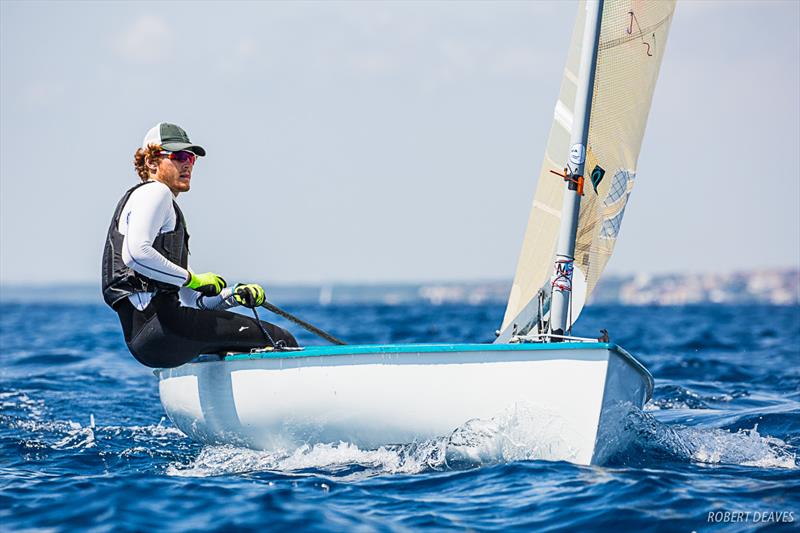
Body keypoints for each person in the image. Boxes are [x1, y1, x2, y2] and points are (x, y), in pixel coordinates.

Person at [102, 122, 298, 368]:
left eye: (191, 158)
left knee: (233, 341)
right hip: (163, 327)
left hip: (149, 342)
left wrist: (234, 295)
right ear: (151, 163)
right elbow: (136, 254)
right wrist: (193, 279)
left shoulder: (154, 211)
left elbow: (193, 302)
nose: (187, 164)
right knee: (281, 339)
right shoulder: (155, 193)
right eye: (179, 156)